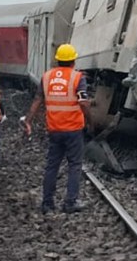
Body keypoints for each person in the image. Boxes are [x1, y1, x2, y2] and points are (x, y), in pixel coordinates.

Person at [23, 44, 92, 214]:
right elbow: (83, 102)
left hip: (54, 129)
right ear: (73, 61)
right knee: (75, 165)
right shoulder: (78, 77)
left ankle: (47, 204)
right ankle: (70, 202)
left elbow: (38, 99)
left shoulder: (46, 77)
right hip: (74, 129)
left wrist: (28, 120)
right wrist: (90, 120)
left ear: (57, 60)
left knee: (52, 165)